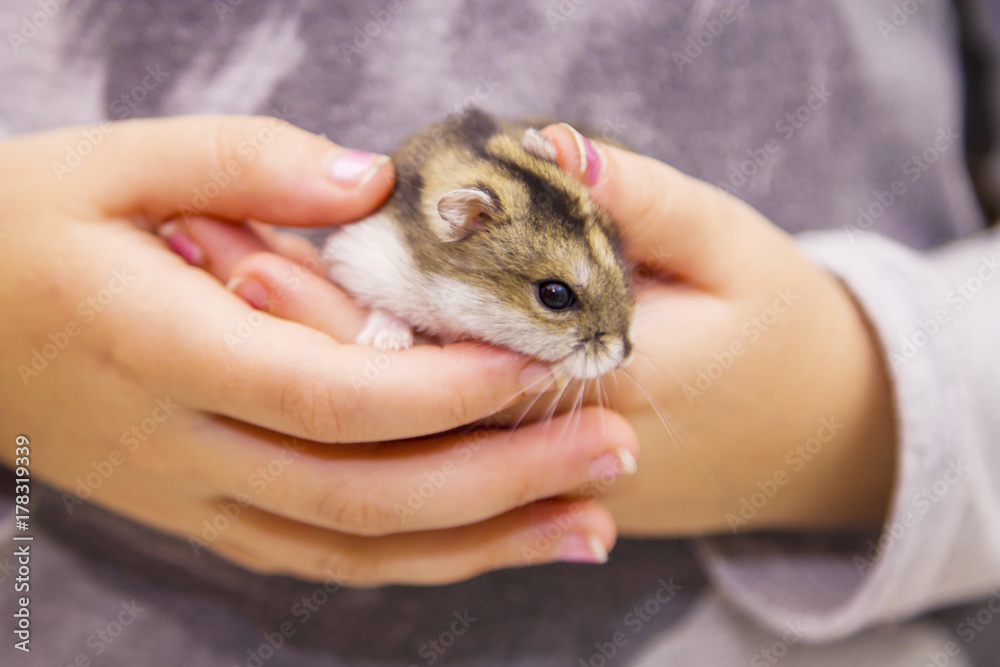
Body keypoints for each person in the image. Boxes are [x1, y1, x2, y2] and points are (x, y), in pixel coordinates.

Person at [0, 1, 997, 665]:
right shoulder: (405, 244)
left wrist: (846, 407)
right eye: (560, 302)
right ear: (459, 230)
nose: (616, 340)